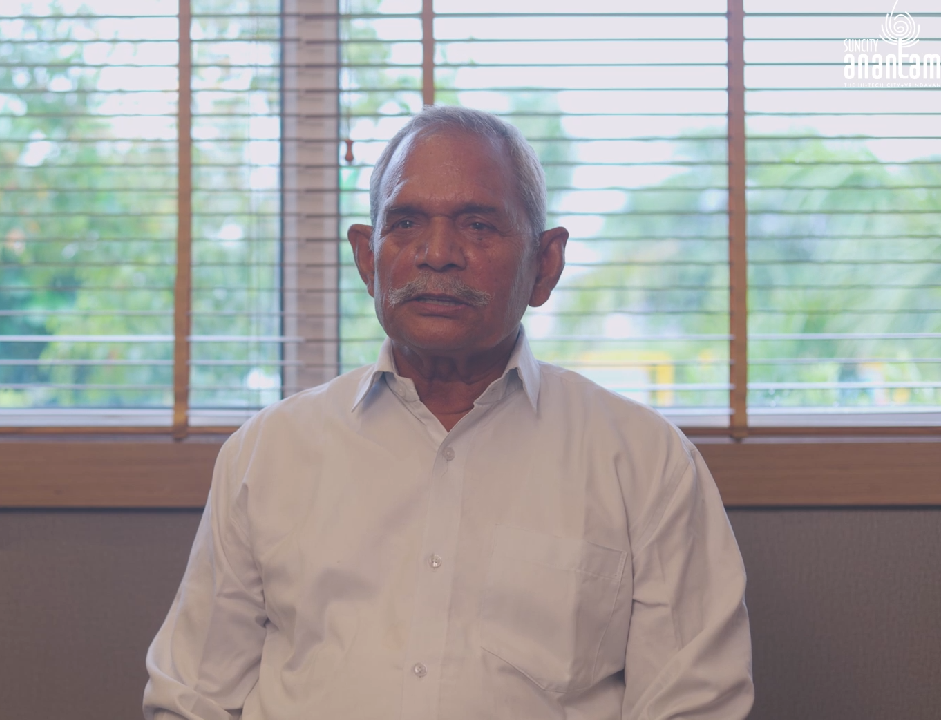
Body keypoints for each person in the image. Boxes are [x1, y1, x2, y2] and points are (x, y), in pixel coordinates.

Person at [144, 105, 753, 720]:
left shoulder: (644, 461)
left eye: (478, 224)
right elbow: (191, 696)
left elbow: (694, 706)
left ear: (545, 265)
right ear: (367, 257)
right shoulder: (267, 453)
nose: (437, 253)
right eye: (406, 222)